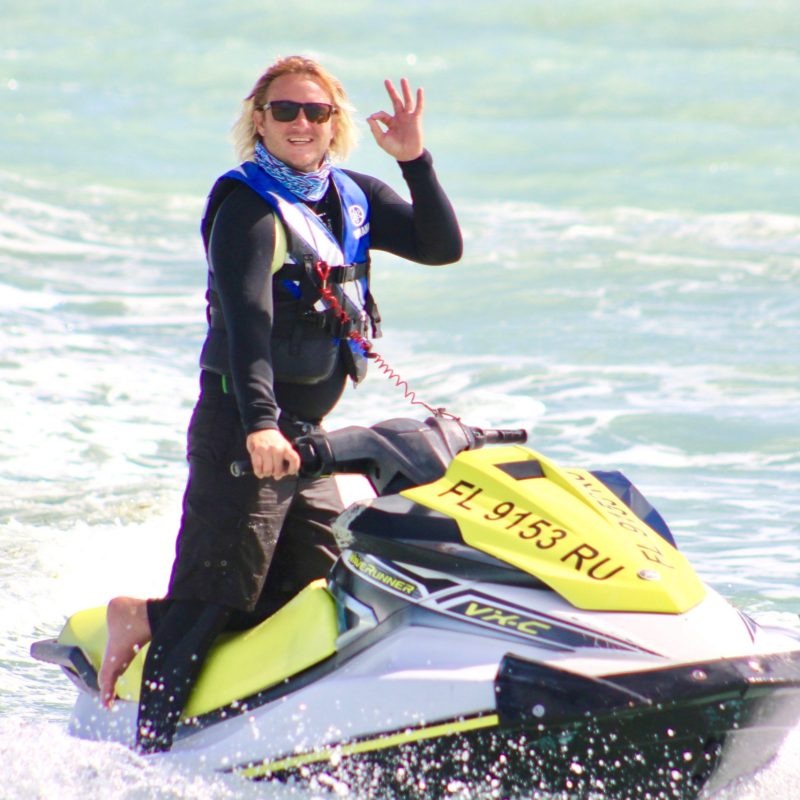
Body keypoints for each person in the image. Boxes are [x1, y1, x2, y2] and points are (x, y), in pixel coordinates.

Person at [97, 55, 462, 753]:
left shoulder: (352, 197)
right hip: (245, 426)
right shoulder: (247, 205)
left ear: (335, 123)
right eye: (285, 110)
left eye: (315, 111)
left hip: (307, 436)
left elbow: (441, 247)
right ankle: (148, 762)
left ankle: (157, 628)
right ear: (258, 121)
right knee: (215, 594)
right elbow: (247, 324)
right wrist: (261, 426)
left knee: (303, 592)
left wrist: (415, 160)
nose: (301, 123)